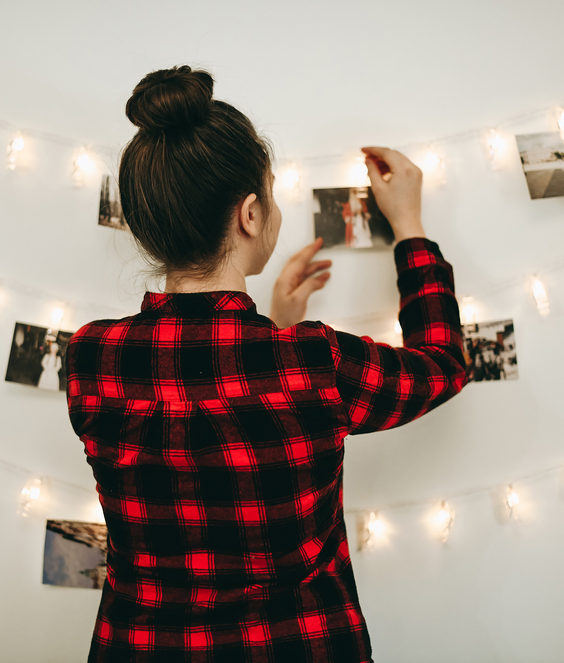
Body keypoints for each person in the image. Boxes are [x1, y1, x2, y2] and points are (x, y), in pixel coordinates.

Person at [65, 66, 468, 663]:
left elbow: (205, 412)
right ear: (251, 215)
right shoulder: (313, 362)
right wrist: (408, 226)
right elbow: (442, 364)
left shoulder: (91, 359)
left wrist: (276, 325)